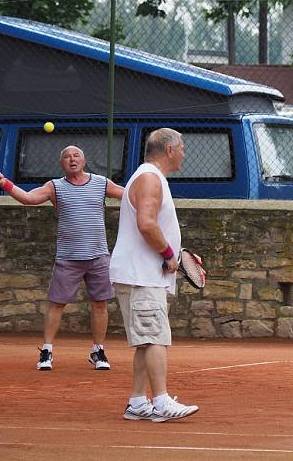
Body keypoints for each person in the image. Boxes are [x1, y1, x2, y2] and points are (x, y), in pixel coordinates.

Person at [0, 145, 124, 371]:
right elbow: (28, 198)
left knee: (99, 304)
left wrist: (151, 184)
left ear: (84, 160)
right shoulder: (55, 187)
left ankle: (98, 350)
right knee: (57, 304)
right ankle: (47, 351)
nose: (72, 159)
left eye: (76, 155)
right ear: (62, 164)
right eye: (67, 157)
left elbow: (128, 195)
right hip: (68, 258)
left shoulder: (101, 183)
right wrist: (5, 183)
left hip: (99, 256)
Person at [110, 128, 199, 422]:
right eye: (183, 148)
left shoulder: (149, 176)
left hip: (141, 273)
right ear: (170, 150)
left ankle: (137, 402)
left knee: (146, 340)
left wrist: (178, 252)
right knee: (155, 338)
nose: (185, 154)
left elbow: (152, 227)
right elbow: (146, 224)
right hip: (142, 275)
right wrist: (168, 255)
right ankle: (161, 402)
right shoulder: (149, 177)